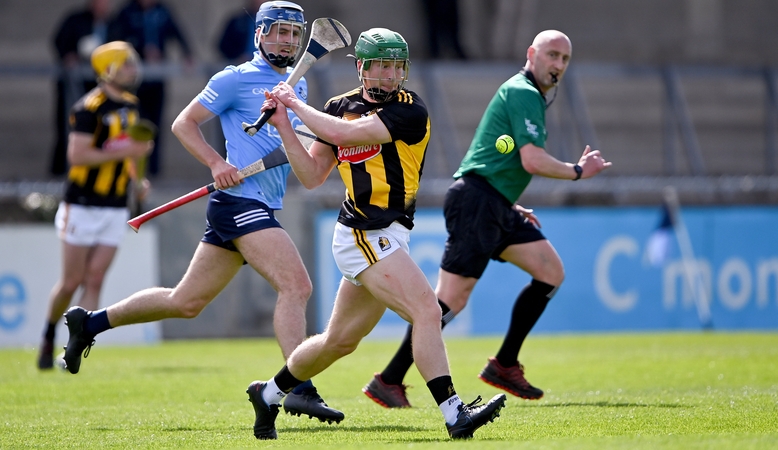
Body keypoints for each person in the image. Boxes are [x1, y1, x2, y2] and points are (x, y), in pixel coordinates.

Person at [61, 1, 344, 425]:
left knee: (185, 300)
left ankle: (90, 323)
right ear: (259, 35)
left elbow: (288, 144)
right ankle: (298, 389)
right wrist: (216, 163)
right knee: (296, 286)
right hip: (240, 201)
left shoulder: (295, 85)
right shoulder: (235, 78)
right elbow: (183, 123)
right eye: (278, 32)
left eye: (293, 33)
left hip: (261, 201)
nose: (287, 41)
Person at [246, 27, 507, 441]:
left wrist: (293, 103)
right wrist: (283, 126)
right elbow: (312, 175)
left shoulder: (410, 110)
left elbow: (345, 135)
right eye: (380, 66)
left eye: (395, 67)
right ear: (361, 68)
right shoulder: (338, 107)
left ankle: (268, 394)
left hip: (390, 232)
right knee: (427, 311)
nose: (388, 75)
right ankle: (455, 414)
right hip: (362, 233)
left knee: (338, 341)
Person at [362, 30, 613, 408]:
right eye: (552, 55)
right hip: (477, 201)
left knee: (550, 271)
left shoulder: (528, 94)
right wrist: (578, 171)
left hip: (496, 202)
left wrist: (508, 201)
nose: (558, 64)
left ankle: (504, 365)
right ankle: (389, 380)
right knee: (449, 300)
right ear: (532, 54)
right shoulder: (523, 92)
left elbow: (502, 160)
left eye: (564, 59)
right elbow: (532, 160)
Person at [36, 41, 153, 370]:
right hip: (82, 204)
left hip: (115, 206)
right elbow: (78, 155)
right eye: (125, 63)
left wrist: (137, 179)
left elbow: (132, 153)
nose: (132, 68)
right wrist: (129, 151)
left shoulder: (131, 105)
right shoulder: (89, 107)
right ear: (108, 68)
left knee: (96, 278)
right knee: (71, 281)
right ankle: (48, 335)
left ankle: (72, 349)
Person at [108, 0, 194, 176]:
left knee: (155, 125)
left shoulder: (163, 11)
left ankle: (153, 169)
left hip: (156, 80)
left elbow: (177, 33)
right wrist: (140, 51)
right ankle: (130, 168)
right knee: (133, 123)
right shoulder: (127, 12)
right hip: (133, 82)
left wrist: (187, 54)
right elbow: (117, 41)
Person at [50, 0, 112, 176]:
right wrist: (69, 55)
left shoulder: (113, 23)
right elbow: (59, 41)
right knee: (69, 130)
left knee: (100, 133)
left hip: (99, 89)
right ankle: (62, 174)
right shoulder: (75, 20)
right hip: (74, 89)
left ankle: (94, 174)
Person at [218, 0, 263, 64]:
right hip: (240, 62)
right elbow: (224, 46)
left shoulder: (274, 22)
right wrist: (238, 56)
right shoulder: (238, 21)